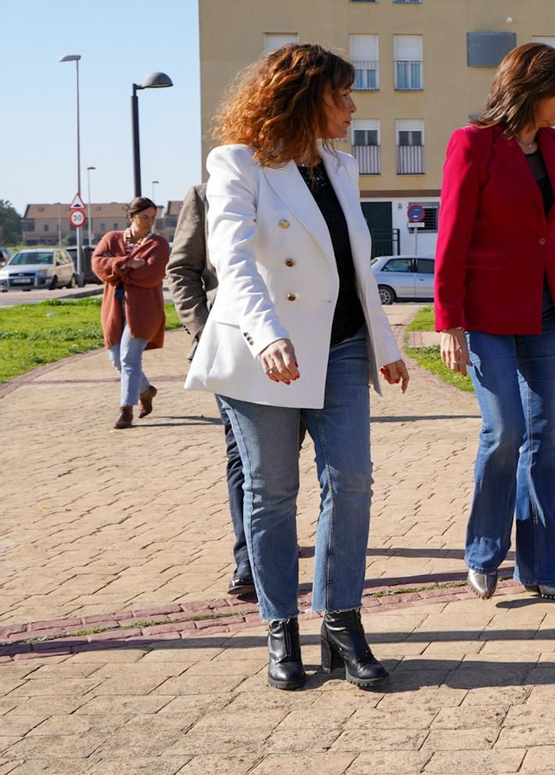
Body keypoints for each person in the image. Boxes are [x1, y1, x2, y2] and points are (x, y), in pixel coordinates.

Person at [185, 43, 409, 691]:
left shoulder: (341, 165)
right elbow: (233, 260)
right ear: (305, 98)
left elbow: (354, 267)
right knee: (272, 494)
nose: (352, 106)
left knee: (353, 480)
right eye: (342, 94)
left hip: (340, 349)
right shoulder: (238, 163)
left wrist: (386, 347)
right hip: (265, 355)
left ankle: (341, 620)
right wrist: (267, 335)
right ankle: (279, 626)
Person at [435, 42, 555, 603]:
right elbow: (453, 235)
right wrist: (449, 322)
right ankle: (484, 550)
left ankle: (540, 565)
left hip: (547, 310)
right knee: (504, 430)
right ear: (532, 89)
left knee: (544, 438)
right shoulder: (473, 143)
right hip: (486, 312)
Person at [169, 183, 259, 601]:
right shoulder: (206, 194)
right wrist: (205, 331)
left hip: (304, 344)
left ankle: (269, 533)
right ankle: (249, 558)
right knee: (243, 453)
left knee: (278, 459)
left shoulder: (307, 181)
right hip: (231, 346)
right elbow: (181, 268)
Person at [92, 197, 171, 430]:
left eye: (153, 218)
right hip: (114, 309)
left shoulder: (159, 244)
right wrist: (128, 263)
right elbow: (98, 265)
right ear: (131, 217)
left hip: (144, 311)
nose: (149, 223)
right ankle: (146, 390)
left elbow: (152, 275)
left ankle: (126, 410)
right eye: (144, 218)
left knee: (129, 357)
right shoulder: (111, 239)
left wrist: (117, 269)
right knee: (115, 357)